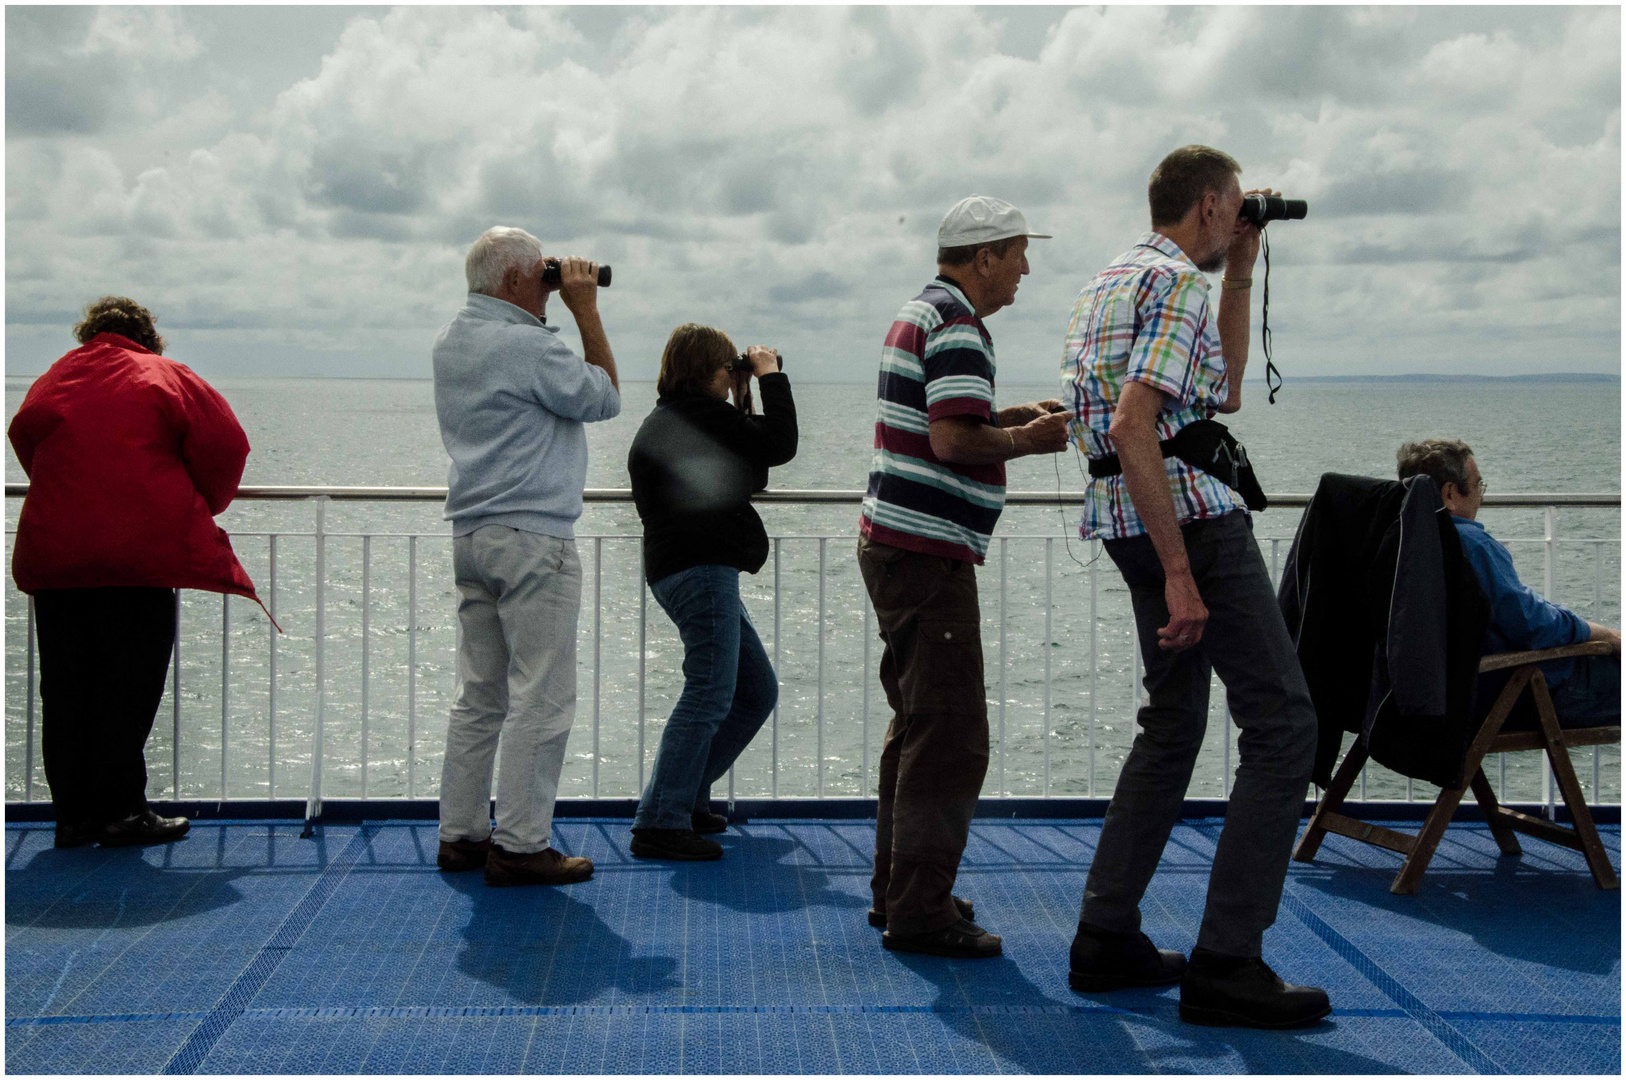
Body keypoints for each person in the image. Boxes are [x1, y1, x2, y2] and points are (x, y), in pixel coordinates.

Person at [1059, 146, 1328, 1028]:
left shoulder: (1111, 281)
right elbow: (1140, 420)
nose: (1240, 220)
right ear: (1211, 204)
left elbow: (1224, 394)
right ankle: (1227, 961)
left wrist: (1243, 271)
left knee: (1171, 724)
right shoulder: (1174, 285)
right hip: (1190, 528)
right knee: (1285, 726)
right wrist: (1182, 573)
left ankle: (1106, 935)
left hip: (1127, 520)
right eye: (1236, 211)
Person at [858, 195, 1072, 959]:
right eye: (1017, 252)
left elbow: (939, 420)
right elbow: (952, 441)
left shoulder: (925, 312)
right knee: (951, 738)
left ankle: (901, 889)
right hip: (927, 552)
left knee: (918, 727)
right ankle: (920, 909)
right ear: (983, 257)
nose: (1024, 268)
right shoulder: (958, 326)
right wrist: (1033, 438)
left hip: (896, 542)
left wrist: (1010, 417)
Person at [9, 296, 262, 849]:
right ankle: (123, 811)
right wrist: (196, 502)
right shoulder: (166, 376)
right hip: (138, 558)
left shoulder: (54, 379)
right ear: (148, 337)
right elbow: (224, 446)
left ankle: (74, 817)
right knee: (128, 685)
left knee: (68, 688)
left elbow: (26, 438)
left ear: (87, 335)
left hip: (58, 556)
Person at [432, 226, 620, 887]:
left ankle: (461, 834)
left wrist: (558, 299)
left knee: (480, 695)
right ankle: (520, 844)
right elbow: (602, 396)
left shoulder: (454, 340)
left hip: (473, 531)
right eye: (541, 271)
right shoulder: (524, 344)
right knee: (541, 695)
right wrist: (585, 310)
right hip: (533, 537)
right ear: (517, 279)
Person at [626, 325, 797, 860]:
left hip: (692, 569)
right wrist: (771, 377)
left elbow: (754, 471)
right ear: (706, 371)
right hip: (700, 569)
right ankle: (661, 820)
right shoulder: (699, 416)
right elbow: (782, 446)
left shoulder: (682, 418)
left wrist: (743, 395)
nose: (733, 376)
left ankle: (685, 798)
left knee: (754, 691)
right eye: (729, 369)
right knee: (708, 692)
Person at [1397, 439, 1622, 723]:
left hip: (1441, 700)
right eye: (1478, 485)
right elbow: (1532, 624)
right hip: (1513, 693)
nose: (1482, 496)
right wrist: (1605, 635)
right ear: (1451, 494)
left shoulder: (1404, 544)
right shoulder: (1469, 546)